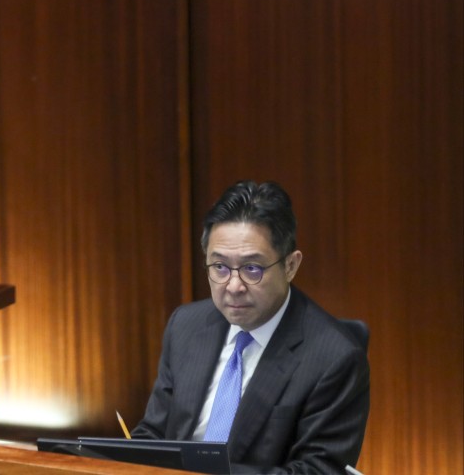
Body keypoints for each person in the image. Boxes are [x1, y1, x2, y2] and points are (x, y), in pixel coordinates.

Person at [131, 180, 369, 474]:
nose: (233, 286)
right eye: (219, 267)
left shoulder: (334, 358)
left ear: (291, 266)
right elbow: (154, 434)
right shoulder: (186, 326)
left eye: (252, 269)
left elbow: (317, 470)